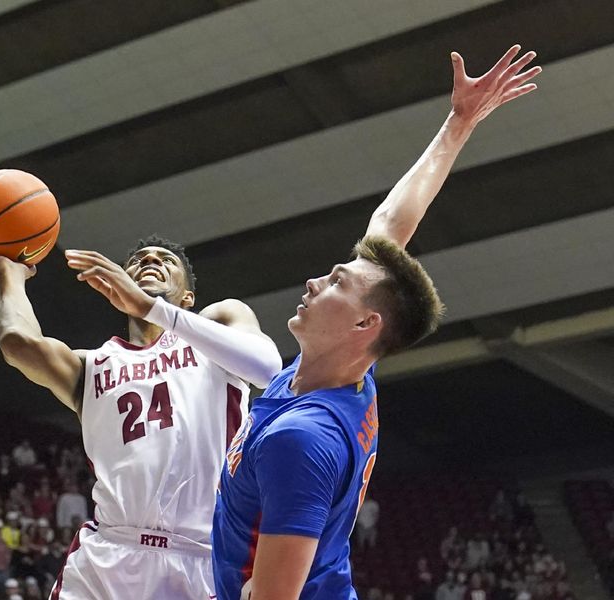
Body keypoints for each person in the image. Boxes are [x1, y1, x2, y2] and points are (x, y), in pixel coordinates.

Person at [206, 46, 541, 599]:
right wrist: (459, 122)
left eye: (336, 282)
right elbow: (390, 223)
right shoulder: (341, 372)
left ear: (365, 324)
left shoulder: (302, 437)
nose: (315, 282)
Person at [0, 225, 281, 594]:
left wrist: (153, 309)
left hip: (199, 557)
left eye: (166, 261)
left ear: (188, 296)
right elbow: (18, 344)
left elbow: (268, 368)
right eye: (138, 261)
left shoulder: (219, 323)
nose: (151, 262)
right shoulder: (92, 366)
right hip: (108, 555)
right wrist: (9, 275)